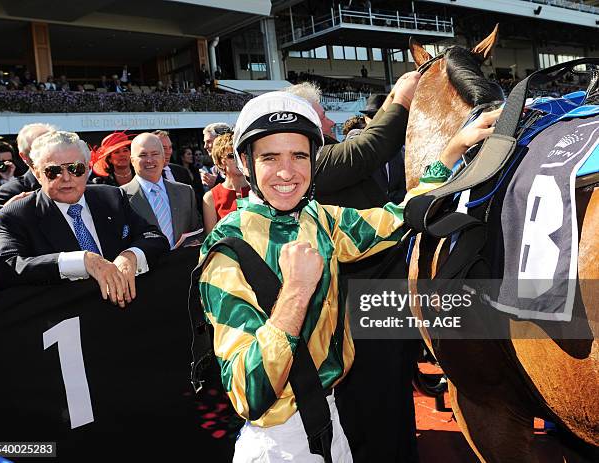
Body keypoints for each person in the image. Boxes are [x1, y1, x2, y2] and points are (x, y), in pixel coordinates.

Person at [198, 90, 499, 462]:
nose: (287, 172)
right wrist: (295, 293)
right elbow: (249, 392)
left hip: (332, 423)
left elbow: (399, 217)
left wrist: (451, 151)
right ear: (245, 163)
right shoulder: (226, 247)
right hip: (277, 443)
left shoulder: (320, 219)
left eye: (299, 156)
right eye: (270, 157)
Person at [285, 78, 420, 462]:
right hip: (357, 310)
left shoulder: (323, 157)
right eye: (324, 114)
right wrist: (400, 99)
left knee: (393, 402)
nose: (330, 122)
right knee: (374, 407)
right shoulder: (313, 163)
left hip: (380, 302)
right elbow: (368, 149)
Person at [0, 131, 169, 306]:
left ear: (88, 168)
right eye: (53, 171)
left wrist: (131, 256)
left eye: (76, 169)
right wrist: (81, 261)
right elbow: (4, 270)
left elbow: (154, 237)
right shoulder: (16, 216)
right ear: (36, 172)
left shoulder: (111, 197)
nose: (66, 178)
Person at [121, 133, 201, 249]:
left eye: (155, 154)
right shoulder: (120, 197)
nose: (149, 160)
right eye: (143, 155)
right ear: (132, 160)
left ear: (163, 158)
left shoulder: (186, 192)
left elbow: (197, 231)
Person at [0, 123, 56, 208]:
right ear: (24, 156)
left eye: (53, 145)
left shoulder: (74, 181)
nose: (49, 151)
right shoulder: (8, 193)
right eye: (39, 148)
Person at [201, 132, 250, 234]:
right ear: (221, 160)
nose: (239, 160)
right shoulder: (210, 198)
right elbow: (211, 241)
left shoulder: (259, 190)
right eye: (232, 156)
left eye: (242, 154)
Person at [200, 122, 232, 189]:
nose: (205, 146)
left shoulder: (236, 162)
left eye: (209, 141)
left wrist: (216, 182)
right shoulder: (215, 168)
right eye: (204, 142)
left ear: (221, 139)